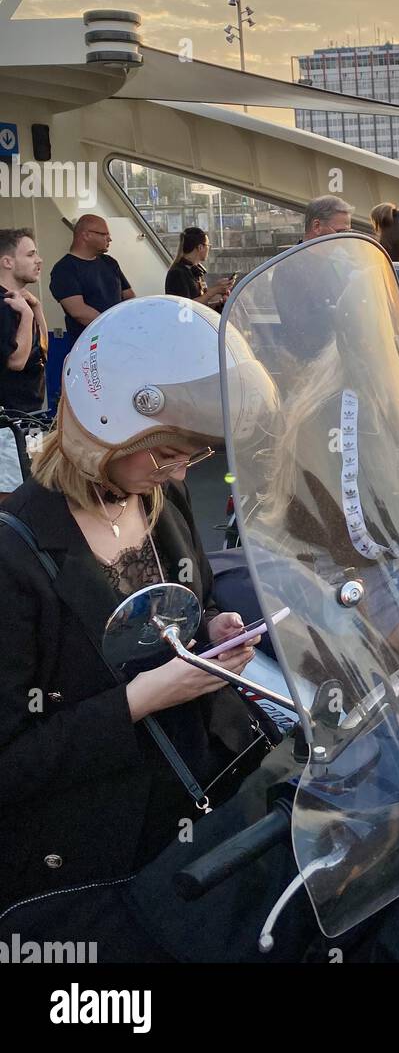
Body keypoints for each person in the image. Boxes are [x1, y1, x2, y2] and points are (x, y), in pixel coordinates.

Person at [0, 295, 275, 919]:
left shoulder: (159, 501)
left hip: (209, 795)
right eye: (164, 451)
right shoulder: (14, 555)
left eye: (195, 453)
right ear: (102, 425)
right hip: (106, 855)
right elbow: (11, 764)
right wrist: (145, 696)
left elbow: (191, 603)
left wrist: (212, 628)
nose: (179, 470)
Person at [0, 229, 48, 497]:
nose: (38, 260)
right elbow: (16, 362)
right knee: (10, 493)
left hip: (30, 417)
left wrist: (36, 310)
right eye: (30, 254)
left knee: (35, 480)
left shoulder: (23, 305)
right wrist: (28, 316)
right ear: (7, 262)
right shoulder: (5, 307)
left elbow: (42, 352)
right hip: (8, 423)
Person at [49, 214, 134, 345]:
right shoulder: (64, 269)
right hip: (89, 345)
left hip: (120, 340)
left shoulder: (110, 262)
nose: (109, 239)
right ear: (86, 235)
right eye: (104, 234)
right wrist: (113, 327)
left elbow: (128, 295)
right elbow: (79, 312)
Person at [164, 227, 233, 310]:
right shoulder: (177, 273)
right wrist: (214, 290)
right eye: (208, 246)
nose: (209, 249)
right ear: (200, 247)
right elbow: (185, 307)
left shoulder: (195, 272)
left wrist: (219, 303)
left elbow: (200, 305)